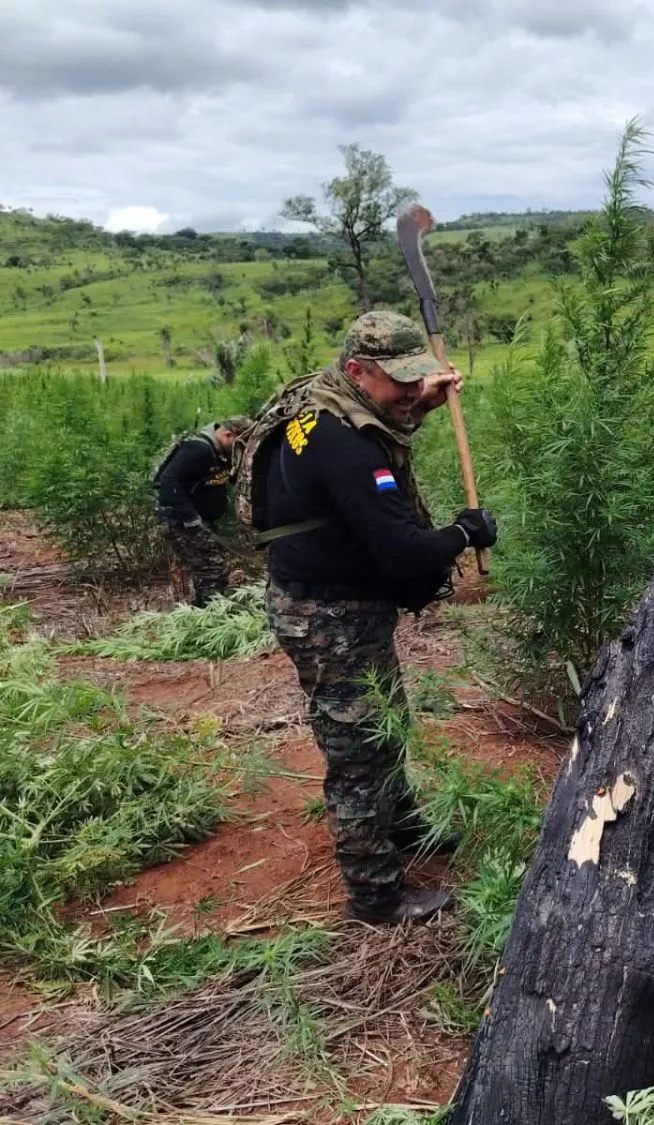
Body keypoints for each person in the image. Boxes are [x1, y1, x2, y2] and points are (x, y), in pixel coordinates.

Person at [257, 311, 498, 924]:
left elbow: (384, 421)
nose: (413, 391)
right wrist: (464, 532)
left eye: (419, 378)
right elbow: (402, 551)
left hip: (330, 602)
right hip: (329, 616)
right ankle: (376, 895)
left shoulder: (322, 403)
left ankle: (403, 826)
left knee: (384, 722)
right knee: (359, 752)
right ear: (358, 370)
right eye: (402, 381)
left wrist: (420, 404)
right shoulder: (345, 448)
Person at [154, 416, 253, 606]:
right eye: (240, 444)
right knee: (211, 570)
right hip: (182, 520)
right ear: (227, 435)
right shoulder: (198, 450)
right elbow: (168, 479)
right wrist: (190, 517)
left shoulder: (222, 454)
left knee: (213, 567)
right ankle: (210, 612)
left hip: (203, 519)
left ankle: (204, 608)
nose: (241, 450)